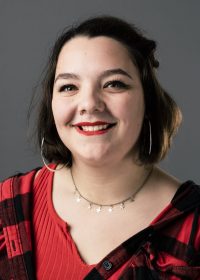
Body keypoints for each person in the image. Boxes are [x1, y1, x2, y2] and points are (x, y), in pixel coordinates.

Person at [0, 15, 199, 280]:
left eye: (114, 84)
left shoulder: (193, 227)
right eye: (69, 86)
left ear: (148, 101)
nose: (89, 104)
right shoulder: (8, 206)